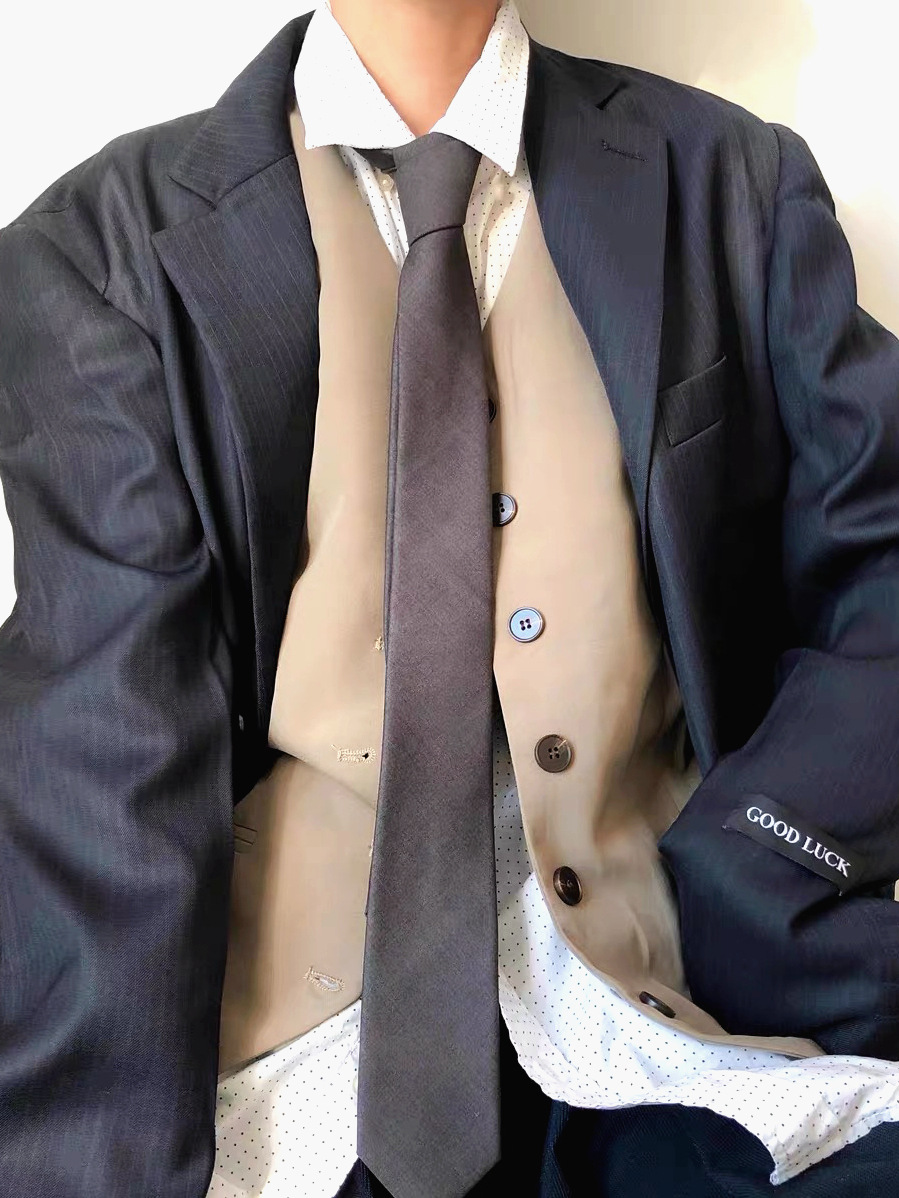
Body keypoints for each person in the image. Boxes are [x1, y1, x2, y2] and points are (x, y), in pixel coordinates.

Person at [1, 0, 899, 1195]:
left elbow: (883, 563)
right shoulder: (98, 250)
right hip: (292, 1064)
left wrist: (761, 858)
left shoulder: (729, 181)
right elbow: (104, 738)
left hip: (675, 1013)